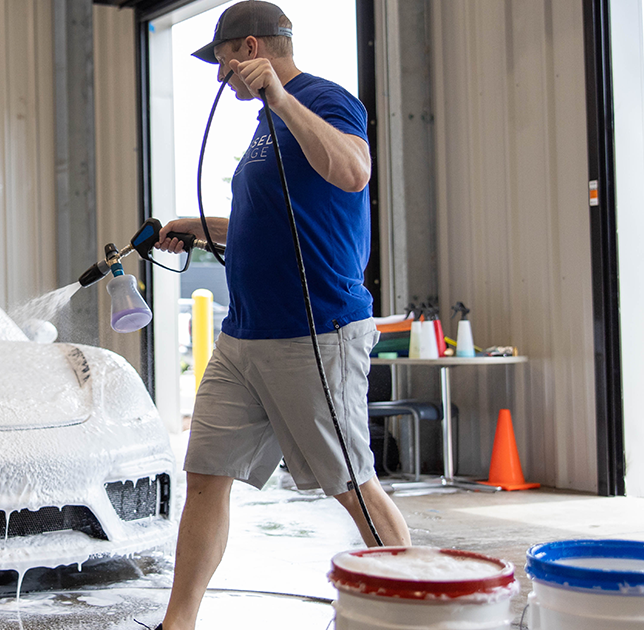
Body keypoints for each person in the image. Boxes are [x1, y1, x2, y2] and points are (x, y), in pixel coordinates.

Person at [152, 3, 411, 629]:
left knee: (352, 484)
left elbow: (352, 172)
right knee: (206, 474)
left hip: (314, 331)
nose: (219, 77)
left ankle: (414, 612)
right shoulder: (264, 126)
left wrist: (279, 93)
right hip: (245, 337)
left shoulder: (323, 99)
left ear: (248, 49)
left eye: (221, 61)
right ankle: (177, 624)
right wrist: (199, 226)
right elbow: (272, 226)